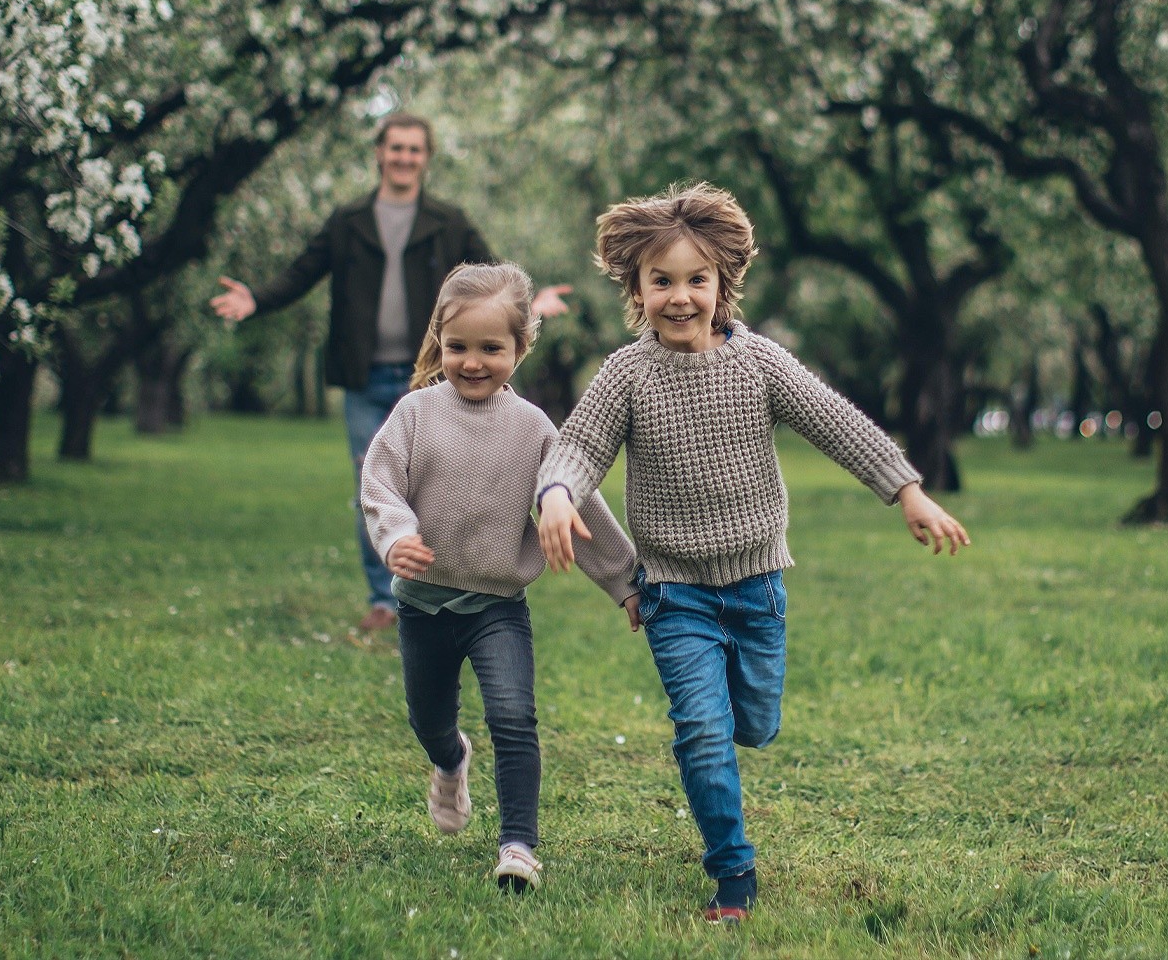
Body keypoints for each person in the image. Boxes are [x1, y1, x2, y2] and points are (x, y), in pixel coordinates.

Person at [533, 181, 969, 924]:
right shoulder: (625, 374)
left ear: (722, 283)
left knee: (754, 724)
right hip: (674, 591)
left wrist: (908, 491)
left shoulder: (759, 362)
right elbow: (577, 446)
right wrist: (557, 493)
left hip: (758, 584)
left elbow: (838, 424)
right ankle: (733, 873)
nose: (679, 297)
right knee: (701, 729)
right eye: (661, 280)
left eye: (695, 280)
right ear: (637, 289)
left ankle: (737, 731)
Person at [210, 113, 567, 632]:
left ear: (426, 157)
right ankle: (386, 598)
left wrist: (533, 306)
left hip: (431, 372)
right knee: (372, 481)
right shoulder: (348, 219)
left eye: (414, 150)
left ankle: (443, 587)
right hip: (365, 374)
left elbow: (495, 280)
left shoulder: (448, 220)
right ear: (379, 153)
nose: (404, 157)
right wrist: (255, 299)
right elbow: (302, 272)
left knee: (432, 483)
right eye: (395, 148)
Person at [360, 262, 637, 892]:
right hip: (423, 606)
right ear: (439, 343)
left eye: (492, 348)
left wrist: (626, 582)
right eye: (458, 347)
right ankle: (452, 760)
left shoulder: (534, 428)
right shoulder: (414, 414)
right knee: (428, 720)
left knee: (513, 717)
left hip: (496, 607)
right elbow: (380, 485)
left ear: (520, 347)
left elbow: (582, 506)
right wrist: (398, 536)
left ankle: (518, 847)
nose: (473, 362)